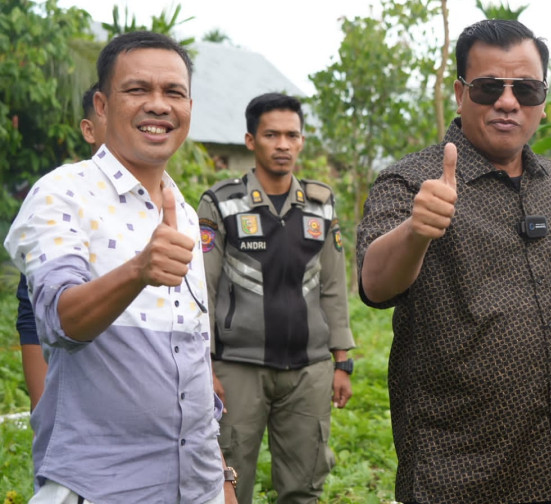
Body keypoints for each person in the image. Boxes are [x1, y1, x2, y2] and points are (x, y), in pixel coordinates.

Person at [356, 19, 551, 504]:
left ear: (543, 102)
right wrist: (415, 231)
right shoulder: (410, 182)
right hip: (459, 473)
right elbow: (374, 284)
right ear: (461, 92)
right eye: (489, 87)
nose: (508, 102)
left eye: (526, 89)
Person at [5, 31, 237, 504]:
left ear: (189, 108)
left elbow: (193, 361)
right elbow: (59, 320)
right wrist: (137, 271)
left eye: (173, 92)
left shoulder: (185, 213)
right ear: (102, 106)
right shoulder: (61, 194)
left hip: (197, 486)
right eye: (137, 90)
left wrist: (222, 479)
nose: (158, 105)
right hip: (100, 487)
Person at [198, 92, 355, 504]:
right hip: (237, 369)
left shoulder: (321, 206)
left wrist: (343, 363)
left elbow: (334, 287)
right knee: (229, 484)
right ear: (251, 140)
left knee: (304, 487)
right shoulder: (221, 203)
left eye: (291, 135)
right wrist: (205, 365)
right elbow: (203, 288)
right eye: (271, 135)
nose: (283, 144)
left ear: (302, 141)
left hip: (309, 370)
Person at [16, 84, 104, 411]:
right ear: (89, 129)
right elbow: (31, 308)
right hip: (68, 375)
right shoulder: (60, 195)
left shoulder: (166, 204)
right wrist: (45, 408)